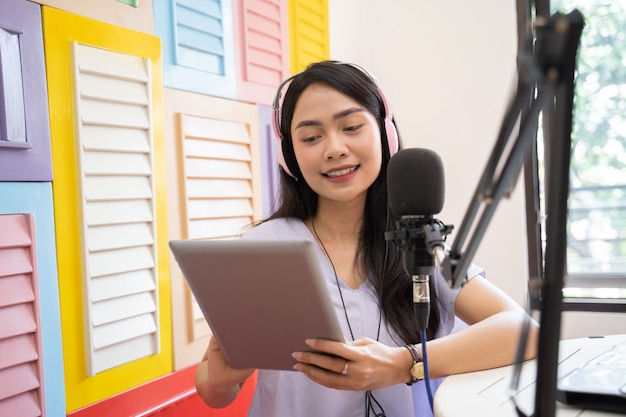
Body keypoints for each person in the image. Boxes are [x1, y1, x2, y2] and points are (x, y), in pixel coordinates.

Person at [194, 60, 539, 417]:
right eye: (311, 137)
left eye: (352, 126)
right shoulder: (263, 248)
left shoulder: (423, 244)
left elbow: (525, 332)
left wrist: (403, 363)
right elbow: (213, 389)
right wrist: (220, 380)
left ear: (384, 133)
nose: (335, 149)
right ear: (290, 157)